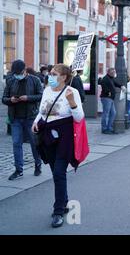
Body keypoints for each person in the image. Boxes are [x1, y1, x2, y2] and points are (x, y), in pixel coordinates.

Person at [32, 64, 84, 228]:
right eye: (50, 73)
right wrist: (35, 123)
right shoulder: (47, 90)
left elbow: (79, 118)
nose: (50, 76)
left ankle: (58, 211)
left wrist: (72, 102)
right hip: (47, 136)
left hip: (64, 138)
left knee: (59, 173)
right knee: (56, 171)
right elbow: (42, 111)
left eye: (54, 74)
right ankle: (65, 201)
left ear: (63, 77)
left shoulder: (72, 92)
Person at [2, 60, 43, 180]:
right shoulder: (11, 80)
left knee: (34, 143)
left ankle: (38, 164)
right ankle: (19, 170)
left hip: (30, 117)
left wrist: (28, 98)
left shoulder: (34, 80)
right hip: (15, 118)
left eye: (19, 73)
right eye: (15, 73)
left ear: (25, 70)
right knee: (16, 143)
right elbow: (4, 98)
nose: (16, 75)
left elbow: (41, 95)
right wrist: (10, 100)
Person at [99, 68, 126, 134]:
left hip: (110, 98)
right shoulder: (105, 79)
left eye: (114, 72)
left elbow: (116, 83)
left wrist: (121, 86)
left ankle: (109, 128)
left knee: (113, 113)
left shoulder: (111, 78)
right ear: (109, 72)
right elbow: (104, 88)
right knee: (106, 113)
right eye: (113, 72)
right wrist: (109, 92)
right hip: (106, 98)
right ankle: (104, 129)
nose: (114, 73)